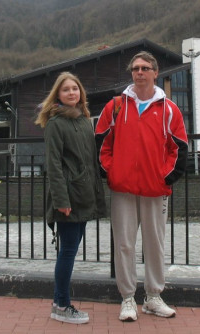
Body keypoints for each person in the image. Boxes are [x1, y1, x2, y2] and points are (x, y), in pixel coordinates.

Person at [95, 51, 188, 322]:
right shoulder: (115, 106)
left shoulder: (169, 110)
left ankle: (153, 297)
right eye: (135, 68)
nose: (139, 72)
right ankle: (127, 298)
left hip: (155, 188)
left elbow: (179, 147)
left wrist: (164, 177)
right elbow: (101, 142)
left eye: (145, 68)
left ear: (155, 73)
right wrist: (111, 172)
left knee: (155, 244)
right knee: (124, 244)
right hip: (122, 188)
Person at [35, 72, 107, 325]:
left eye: (75, 89)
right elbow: (54, 165)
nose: (71, 93)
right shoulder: (55, 123)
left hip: (84, 195)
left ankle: (60, 303)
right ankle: (61, 305)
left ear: (80, 93)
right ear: (58, 94)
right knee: (67, 251)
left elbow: (90, 161)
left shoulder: (84, 120)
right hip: (68, 197)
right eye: (66, 90)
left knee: (70, 250)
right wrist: (61, 201)